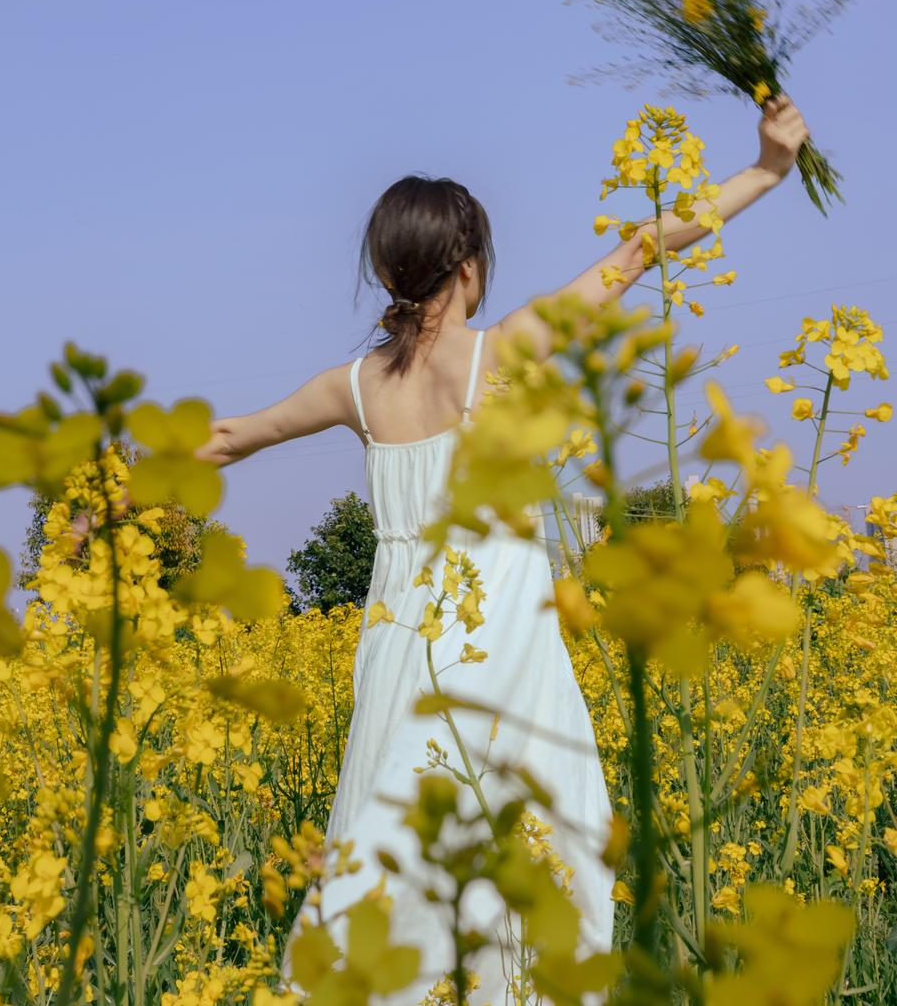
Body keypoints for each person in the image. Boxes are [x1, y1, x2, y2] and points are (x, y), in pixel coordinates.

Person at [196, 95, 810, 1003]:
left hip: (401, 642)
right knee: (543, 850)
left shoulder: (353, 390)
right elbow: (636, 252)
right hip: (505, 639)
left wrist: (110, 489)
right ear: (471, 270)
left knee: (388, 844)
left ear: (386, 271)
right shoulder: (502, 355)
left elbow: (225, 438)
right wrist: (764, 169)